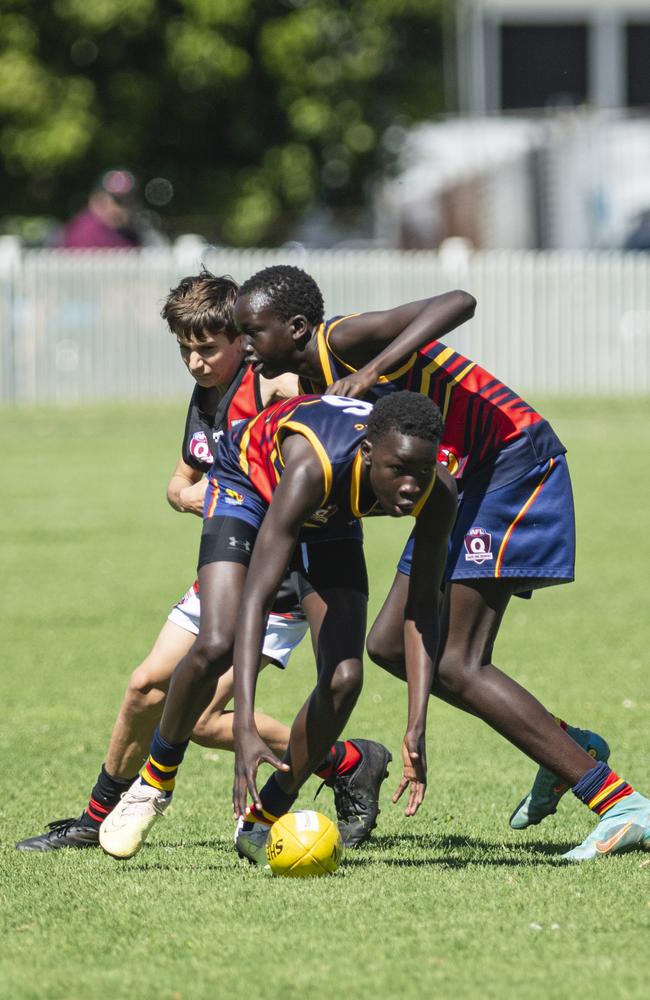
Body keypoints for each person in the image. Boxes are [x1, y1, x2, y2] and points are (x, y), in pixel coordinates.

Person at [229, 264, 650, 861]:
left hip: (510, 462)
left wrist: (374, 369)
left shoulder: (340, 341)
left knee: (457, 660)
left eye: (252, 332)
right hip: (458, 480)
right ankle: (566, 751)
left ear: (295, 328)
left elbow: (461, 298)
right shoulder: (310, 385)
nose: (245, 347)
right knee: (390, 647)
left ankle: (619, 803)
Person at [16, 270, 387, 852]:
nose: (195, 361)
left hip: (283, 577)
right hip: (227, 562)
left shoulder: (274, 381)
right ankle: (97, 816)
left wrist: (239, 495)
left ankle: (341, 760)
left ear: (242, 338)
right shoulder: (208, 394)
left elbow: (315, 452)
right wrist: (198, 494)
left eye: (207, 348)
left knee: (198, 716)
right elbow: (183, 479)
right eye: (185, 349)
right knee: (145, 688)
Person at [99, 391, 457, 864]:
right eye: (399, 471)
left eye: (423, 472)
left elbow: (423, 612)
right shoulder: (315, 467)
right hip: (247, 480)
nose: (412, 486)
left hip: (331, 511)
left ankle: (265, 816)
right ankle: (154, 782)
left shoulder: (438, 491)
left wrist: (416, 726)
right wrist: (243, 724)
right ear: (369, 453)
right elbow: (257, 597)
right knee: (215, 641)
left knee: (345, 678)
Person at [59, 169, 142, 249]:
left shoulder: (127, 232)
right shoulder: (85, 233)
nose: (124, 208)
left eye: (130, 199)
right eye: (119, 201)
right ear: (96, 200)